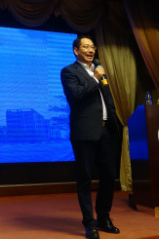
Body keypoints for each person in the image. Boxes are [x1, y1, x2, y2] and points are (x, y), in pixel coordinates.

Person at [61, 35, 121, 239]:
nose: (91, 50)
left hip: (106, 131)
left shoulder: (99, 70)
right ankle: (89, 223)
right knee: (85, 178)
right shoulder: (69, 71)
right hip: (84, 132)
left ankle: (104, 217)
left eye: (93, 47)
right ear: (76, 50)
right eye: (86, 47)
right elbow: (76, 95)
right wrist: (95, 78)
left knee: (109, 175)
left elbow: (107, 100)